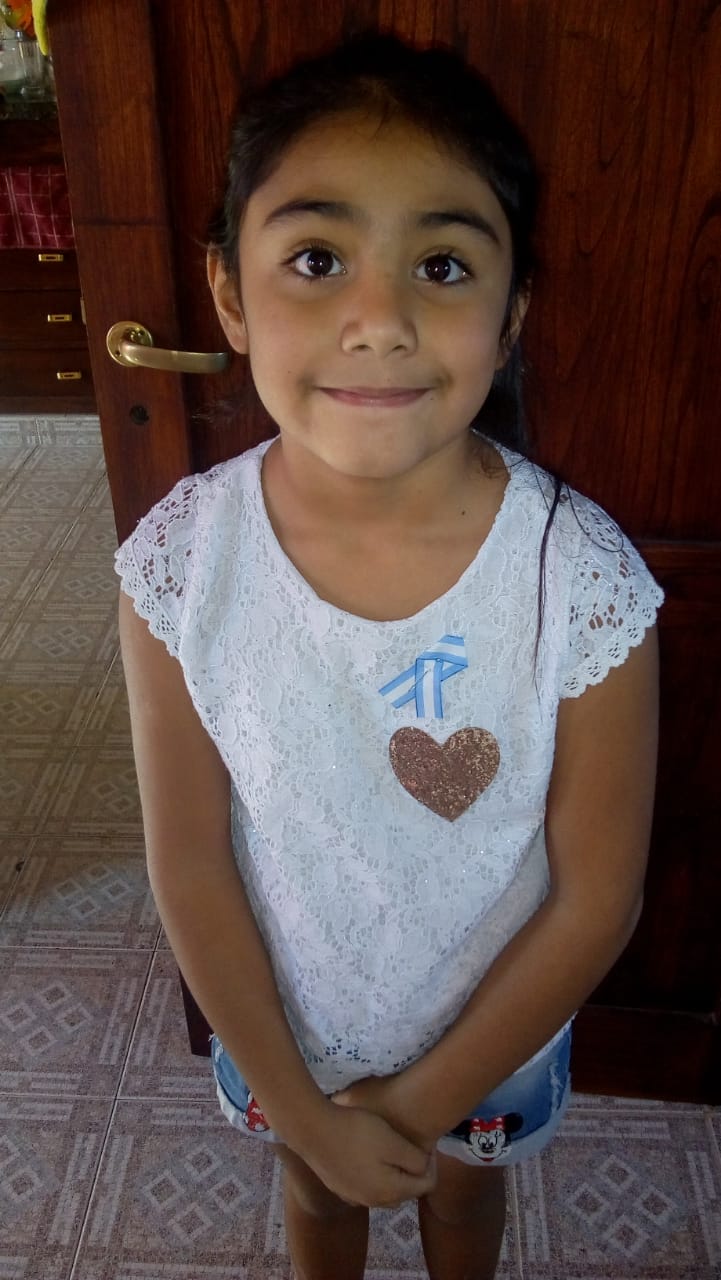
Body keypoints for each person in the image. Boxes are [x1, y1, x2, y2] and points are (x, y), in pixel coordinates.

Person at [115, 31, 664, 1280]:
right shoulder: (180, 565)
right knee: (316, 1198)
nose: (379, 320)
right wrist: (308, 1113)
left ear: (511, 312)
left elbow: (597, 896)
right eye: (317, 259)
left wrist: (414, 1107)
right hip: (283, 1024)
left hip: (492, 1036)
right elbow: (187, 858)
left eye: (442, 263)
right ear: (229, 292)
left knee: (463, 1200)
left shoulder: (577, 577)